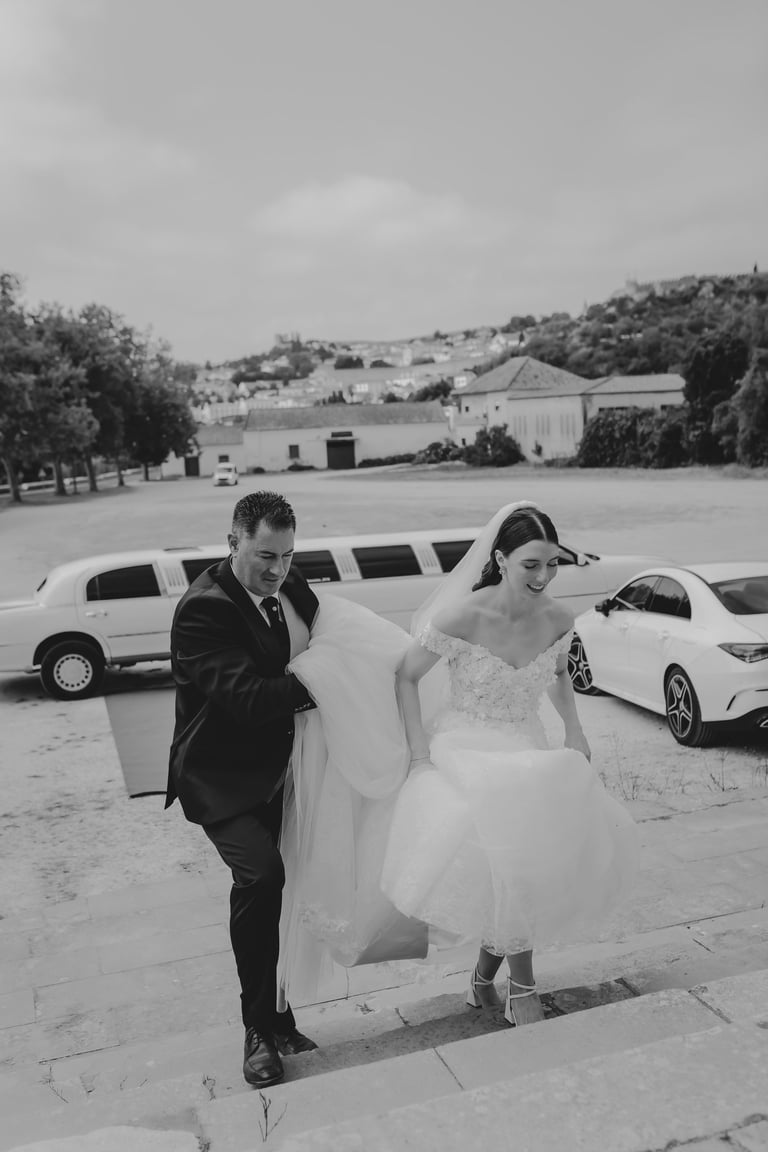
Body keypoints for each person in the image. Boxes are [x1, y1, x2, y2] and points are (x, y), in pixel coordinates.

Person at [379, 500, 639, 1025]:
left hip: (526, 747)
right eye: (531, 565)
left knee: (520, 869)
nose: (543, 577)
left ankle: (481, 981)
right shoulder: (463, 616)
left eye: (552, 564)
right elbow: (405, 675)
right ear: (500, 559)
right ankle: (524, 987)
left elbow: (559, 673)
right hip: (466, 747)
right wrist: (420, 754)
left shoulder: (558, 617)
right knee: (513, 862)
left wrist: (574, 729)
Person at [166, 491, 319, 1089]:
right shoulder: (203, 610)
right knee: (260, 878)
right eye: (266, 556)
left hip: (279, 768)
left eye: (287, 555)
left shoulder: (287, 580)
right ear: (233, 543)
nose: (279, 570)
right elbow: (247, 699)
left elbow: (325, 630)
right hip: (218, 777)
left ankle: (279, 1015)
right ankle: (257, 1030)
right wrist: (329, 683)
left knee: (286, 886)